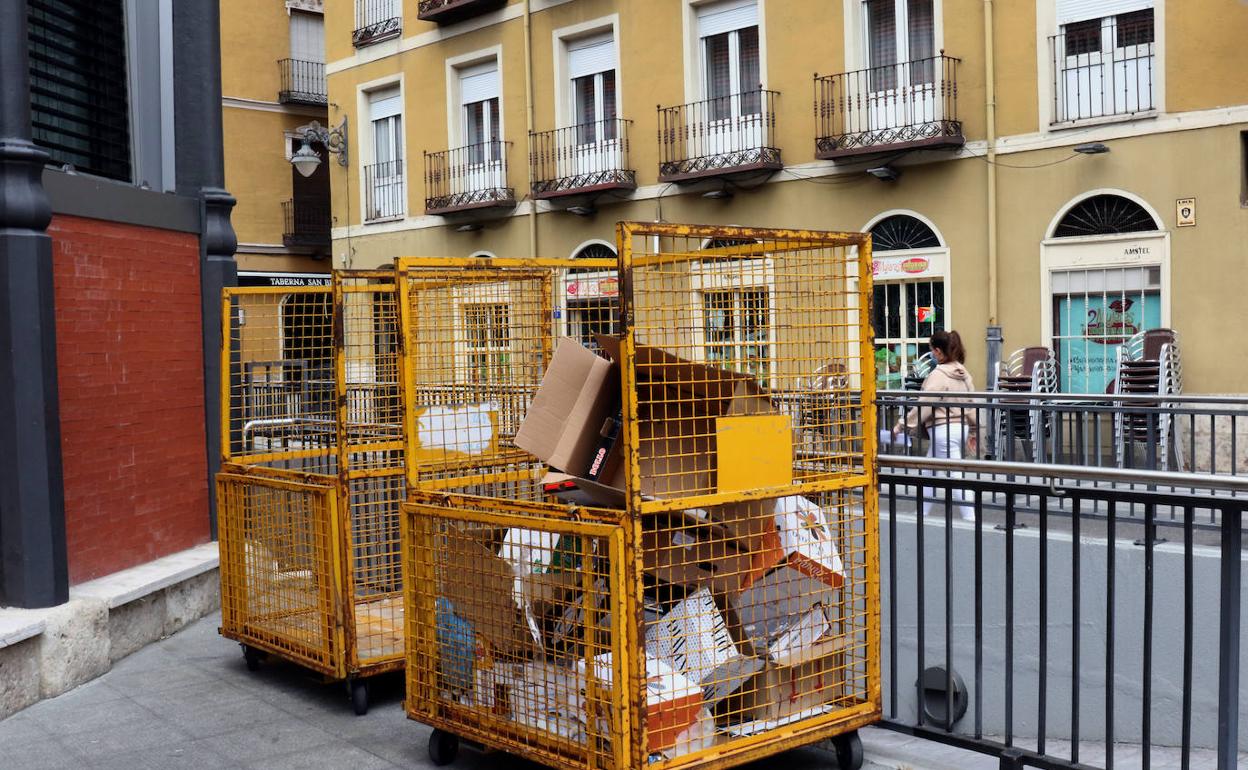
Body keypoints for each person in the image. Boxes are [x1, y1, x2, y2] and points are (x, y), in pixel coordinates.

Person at [892, 330, 979, 521]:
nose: (931, 354)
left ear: (938, 351)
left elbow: (924, 405)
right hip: (960, 427)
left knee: (954, 474)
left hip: (943, 429)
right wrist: (974, 430)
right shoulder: (963, 374)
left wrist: (902, 425)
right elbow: (973, 405)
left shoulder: (939, 375)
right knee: (929, 472)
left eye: (932, 350)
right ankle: (922, 512)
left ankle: (970, 517)